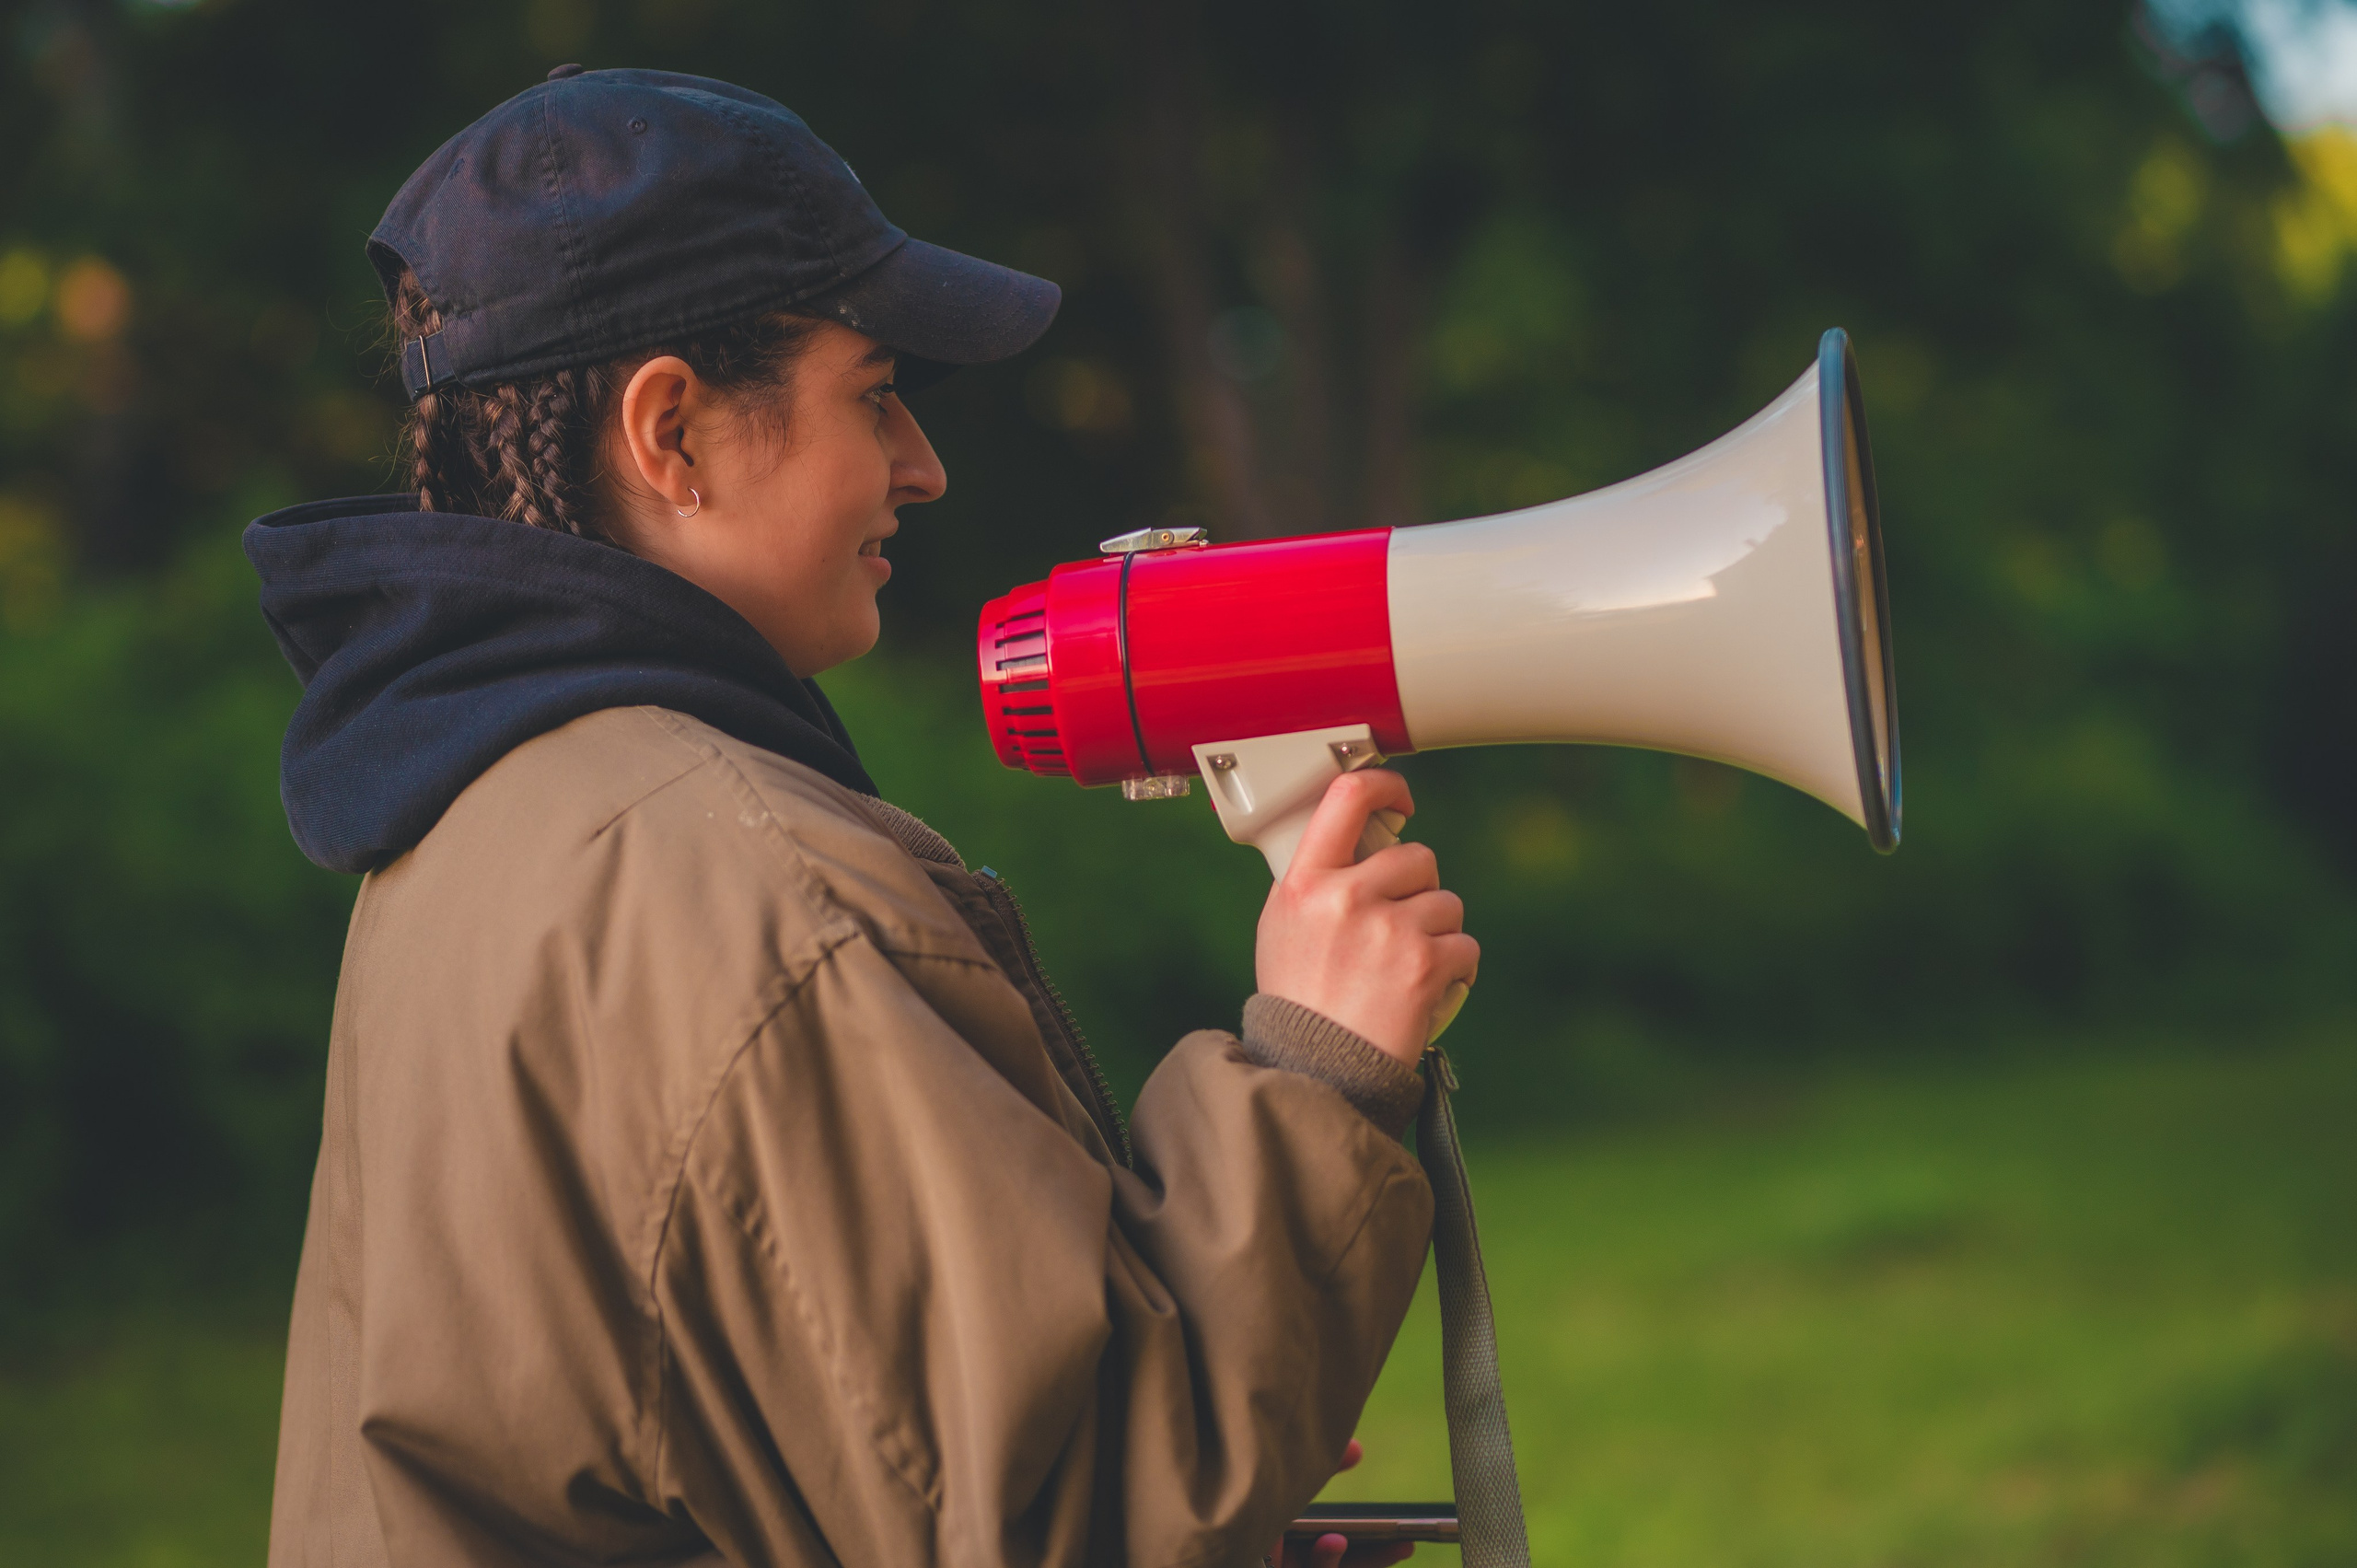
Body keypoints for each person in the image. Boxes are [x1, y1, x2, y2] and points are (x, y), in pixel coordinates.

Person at [249, 67, 1479, 1568]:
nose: (926, 467)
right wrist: (1323, 1065)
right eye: (875, 394)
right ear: (671, 435)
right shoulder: (747, 893)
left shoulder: (479, 821)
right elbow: (1065, 1521)